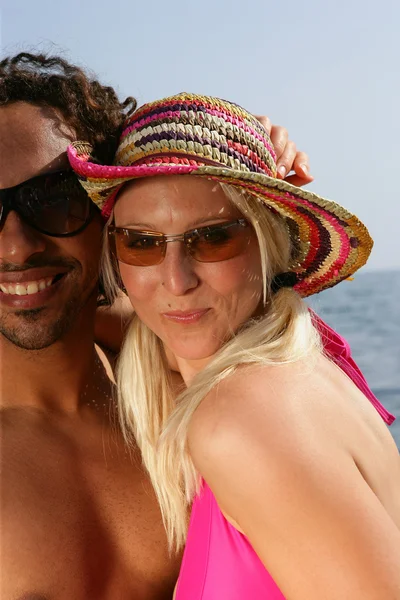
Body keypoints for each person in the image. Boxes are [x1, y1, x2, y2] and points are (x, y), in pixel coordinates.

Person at [0, 53, 315, 599]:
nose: (18, 245)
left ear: (112, 209)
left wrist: (241, 162)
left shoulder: (188, 383)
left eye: (53, 200)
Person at [69, 92, 400, 599]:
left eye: (213, 238)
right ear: (116, 256)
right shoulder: (300, 365)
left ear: (267, 245)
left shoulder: (243, 420)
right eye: (141, 242)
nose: (175, 281)